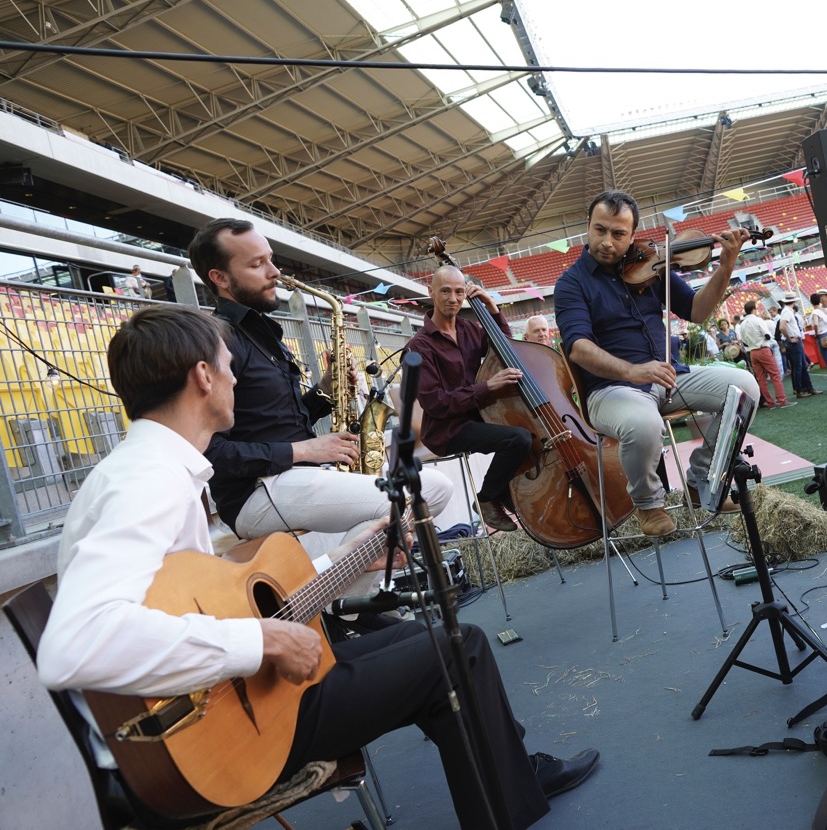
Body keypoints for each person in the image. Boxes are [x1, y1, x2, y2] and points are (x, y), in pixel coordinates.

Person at [36, 304, 599, 830]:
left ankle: (511, 779)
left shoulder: (153, 471)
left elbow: (213, 603)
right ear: (204, 377)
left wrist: (348, 559)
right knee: (459, 647)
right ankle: (509, 802)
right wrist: (262, 641)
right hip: (207, 736)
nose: (236, 380)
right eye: (230, 368)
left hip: (225, 703)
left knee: (425, 638)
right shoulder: (145, 483)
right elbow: (76, 646)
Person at [188, 218, 453, 576]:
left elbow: (278, 418)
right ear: (219, 278)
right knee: (409, 498)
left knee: (434, 487)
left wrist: (327, 391)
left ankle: (346, 607)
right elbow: (208, 452)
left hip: (295, 477)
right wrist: (306, 450)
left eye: (270, 258)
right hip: (256, 492)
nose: (274, 272)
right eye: (256, 264)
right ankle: (345, 608)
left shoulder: (265, 333)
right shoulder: (217, 343)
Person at [554, 190, 760, 536]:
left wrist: (725, 266)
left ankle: (701, 479)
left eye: (618, 234)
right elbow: (578, 348)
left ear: (632, 235)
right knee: (643, 423)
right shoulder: (571, 283)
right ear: (588, 227)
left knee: (746, 389)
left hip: (669, 377)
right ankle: (648, 505)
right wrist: (633, 370)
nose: (607, 242)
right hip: (612, 389)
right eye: (599, 230)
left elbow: (697, 311)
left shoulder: (651, 263)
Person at [405, 265, 532, 532]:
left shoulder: (471, 329)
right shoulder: (418, 346)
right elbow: (435, 403)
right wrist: (487, 387)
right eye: (445, 291)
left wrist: (492, 307)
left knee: (530, 433)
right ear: (431, 292)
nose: (453, 298)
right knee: (518, 439)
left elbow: (506, 348)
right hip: (447, 430)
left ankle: (503, 492)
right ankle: (487, 498)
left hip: (479, 417)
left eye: (459, 291)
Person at [737, 300, 790, 409]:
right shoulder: (757, 320)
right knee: (775, 374)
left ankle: (770, 403)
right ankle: (782, 400)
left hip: (752, 352)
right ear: (753, 309)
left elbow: (744, 341)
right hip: (763, 349)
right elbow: (767, 335)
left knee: (761, 379)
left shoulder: (742, 324)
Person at [778, 293, 815, 398]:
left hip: (793, 341)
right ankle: (800, 390)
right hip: (793, 341)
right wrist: (790, 338)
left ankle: (806, 388)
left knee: (800, 366)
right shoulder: (787, 312)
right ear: (793, 302)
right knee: (798, 367)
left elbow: (782, 327)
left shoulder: (786, 311)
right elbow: (782, 327)